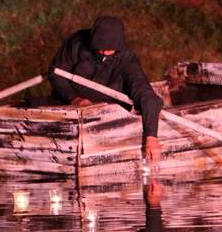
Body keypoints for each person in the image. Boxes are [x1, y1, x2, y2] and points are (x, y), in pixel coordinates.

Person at [48, 16, 164, 162]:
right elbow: (56, 73)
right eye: (100, 48)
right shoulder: (77, 43)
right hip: (66, 104)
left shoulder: (127, 60)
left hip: (105, 118)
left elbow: (146, 95)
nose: (103, 53)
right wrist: (74, 98)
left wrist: (151, 136)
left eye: (108, 50)